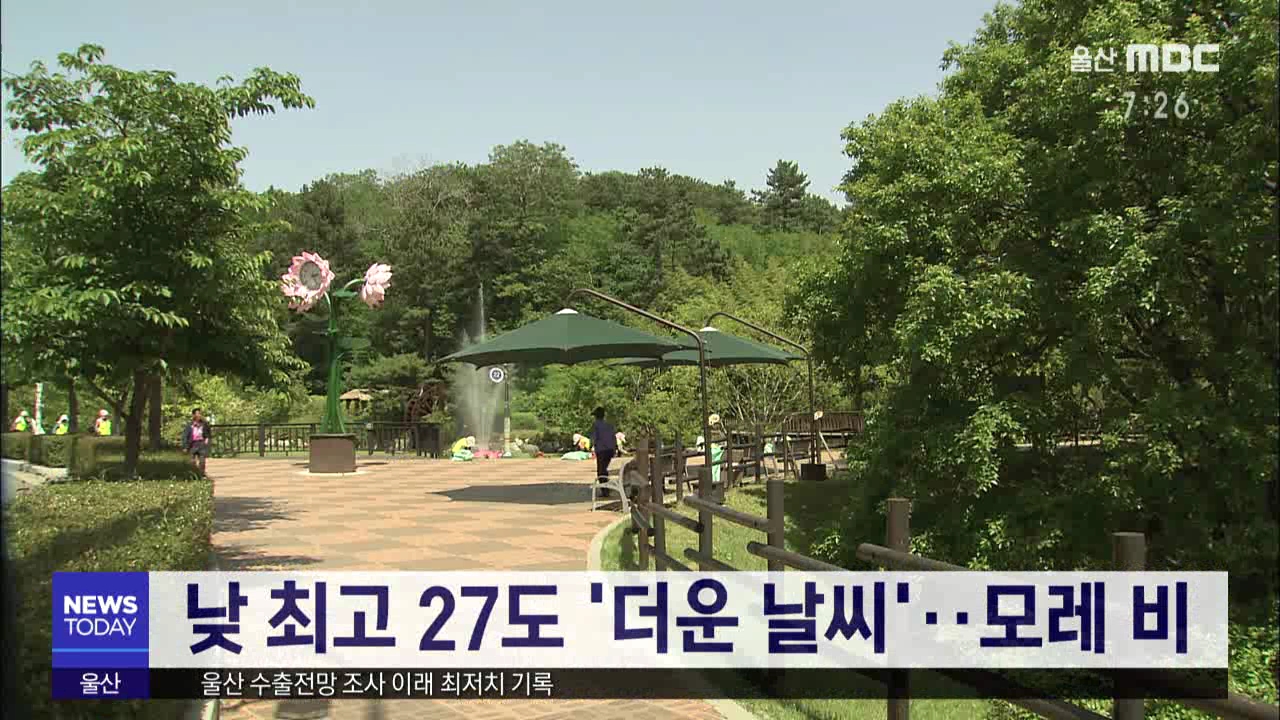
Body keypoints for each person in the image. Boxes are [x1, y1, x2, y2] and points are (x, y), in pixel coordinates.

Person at [589, 407, 618, 481]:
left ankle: (604, 485)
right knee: (604, 468)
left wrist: (591, 446)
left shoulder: (596, 425)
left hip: (601, 450)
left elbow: (594, 437)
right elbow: (613, 437)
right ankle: (605, 483)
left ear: (596, 416)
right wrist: (615, 448)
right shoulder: (609, 425)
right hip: (610, 449)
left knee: (601, 470)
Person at [181, 408, 213, 475]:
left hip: (201, 443)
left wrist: (207, 439)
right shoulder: (189, 425)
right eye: (197, 414)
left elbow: (208, 433)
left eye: (200, 414)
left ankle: (201, 474)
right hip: (192, 444)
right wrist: (185, 446)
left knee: (202, 461)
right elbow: (185, 436)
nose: (199, 415)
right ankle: (193, 474)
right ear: (193, 415)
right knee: (192, 461)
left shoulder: (204, 424)